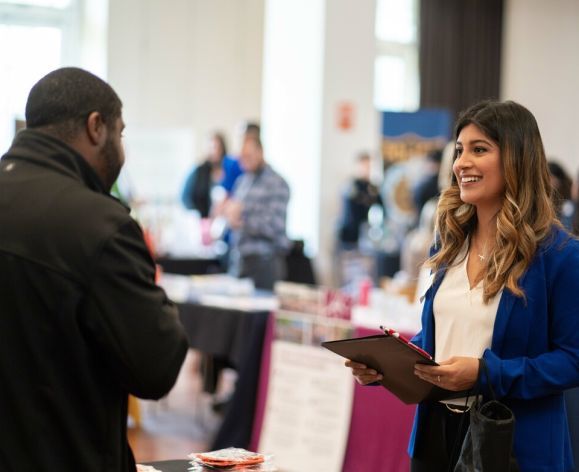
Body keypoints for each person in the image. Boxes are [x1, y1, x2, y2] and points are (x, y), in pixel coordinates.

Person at [346, 100, 579, 471]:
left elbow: (572, 360)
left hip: (511, 445)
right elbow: (443, 341)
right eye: (459, 150)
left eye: (479, 149)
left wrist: (486, 374)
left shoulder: (559, 254)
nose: (461, 163)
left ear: (517, 159)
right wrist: (387, 365)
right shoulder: (449, 242)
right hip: (436, 437)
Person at [0, 67, 189, 471]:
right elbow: (156, 368)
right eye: (120, 134)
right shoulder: (99, 226)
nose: (121, 150)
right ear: (96, 127)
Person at [222, 135, 290, 290]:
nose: (244, 162)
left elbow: (273, 227)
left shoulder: (277, 184)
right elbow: (232, 217)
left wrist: (242, 219)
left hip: (265, 263)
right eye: (241, 158)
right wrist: (229, 217)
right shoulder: (242, 182)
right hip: (239, 260)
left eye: (248, 156)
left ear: (260, 152)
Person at [181, 132, 243, 217]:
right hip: (204, 219)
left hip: (228, 217)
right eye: (212, 148)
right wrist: (198, 213)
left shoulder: (231, 168)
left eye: (218, 148)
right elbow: (184, 198)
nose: (215, 151)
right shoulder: (198, 171)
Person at [337, 151, 384, 248]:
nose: (368, 169)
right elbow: (350, 215)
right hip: (351, 237)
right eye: (365, 166)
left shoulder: (374, 188)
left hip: (370, 237)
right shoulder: (350, 187)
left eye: (369, 166)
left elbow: (381, 209)